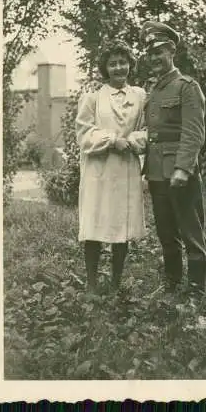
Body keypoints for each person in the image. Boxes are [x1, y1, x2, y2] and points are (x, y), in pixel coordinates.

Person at [140, 21, 206, 298]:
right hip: (156, 171)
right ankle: (171, 282)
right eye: (150, 54)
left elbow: (193, 132)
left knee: (190, 229)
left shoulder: (186, 87)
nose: (155, 58)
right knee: (166, 230)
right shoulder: (152, 89)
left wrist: (183, 168)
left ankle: (195, 289)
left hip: (179, 172)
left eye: (160, 52)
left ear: (172, 51)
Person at [75, 40, 147, 293]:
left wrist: (132, 141)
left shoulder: (139, 96)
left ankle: (116, 282)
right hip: (99, 168)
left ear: (130, 65)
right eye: (113, 63)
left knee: (121, 225)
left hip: (126, 167)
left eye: (123, 62)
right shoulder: (93, 97)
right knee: (95, 222)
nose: (118, 68)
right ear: (105, 68)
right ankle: (92, 283)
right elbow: (83, 133)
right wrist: (111, 140)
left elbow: (147, 129)